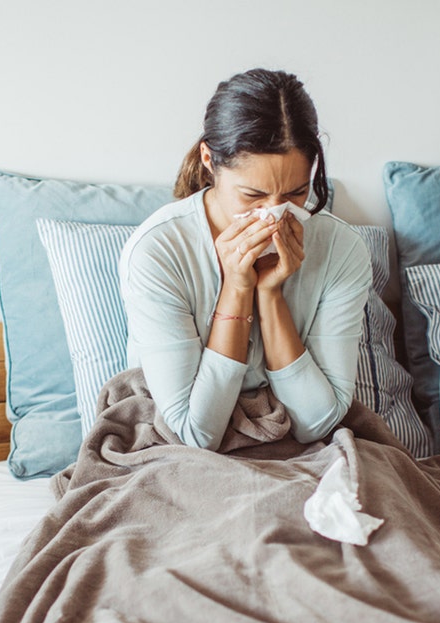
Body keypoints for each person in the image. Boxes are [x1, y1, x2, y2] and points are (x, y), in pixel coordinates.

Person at [119, 68, 371, 452]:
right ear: (208, 159)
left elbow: (317, 423)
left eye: (296, 192)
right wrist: (237, 288)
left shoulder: (341, 249)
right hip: (180, 453)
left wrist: (270, 296)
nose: (275, 213)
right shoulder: (159, 252)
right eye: (253, 195)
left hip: (300, 450)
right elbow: (195, 434)